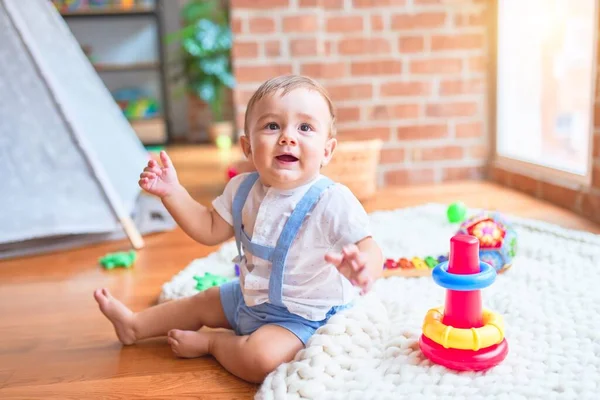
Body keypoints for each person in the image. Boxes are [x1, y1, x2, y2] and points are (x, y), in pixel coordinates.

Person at [93, 74, 383, 383]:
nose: (287, 137)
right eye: (272, 126)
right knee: (201, 302)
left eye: (305, 128)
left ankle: (214, 343)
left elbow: (368, 245)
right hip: (250, 297)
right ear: (247, 145)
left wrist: (364, 265)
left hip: (302, 316)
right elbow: (208, 228)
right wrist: (172, 193)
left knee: (261, 359)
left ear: (327, 150)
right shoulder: (241, 189)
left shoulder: (332, 200)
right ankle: (134, 325)